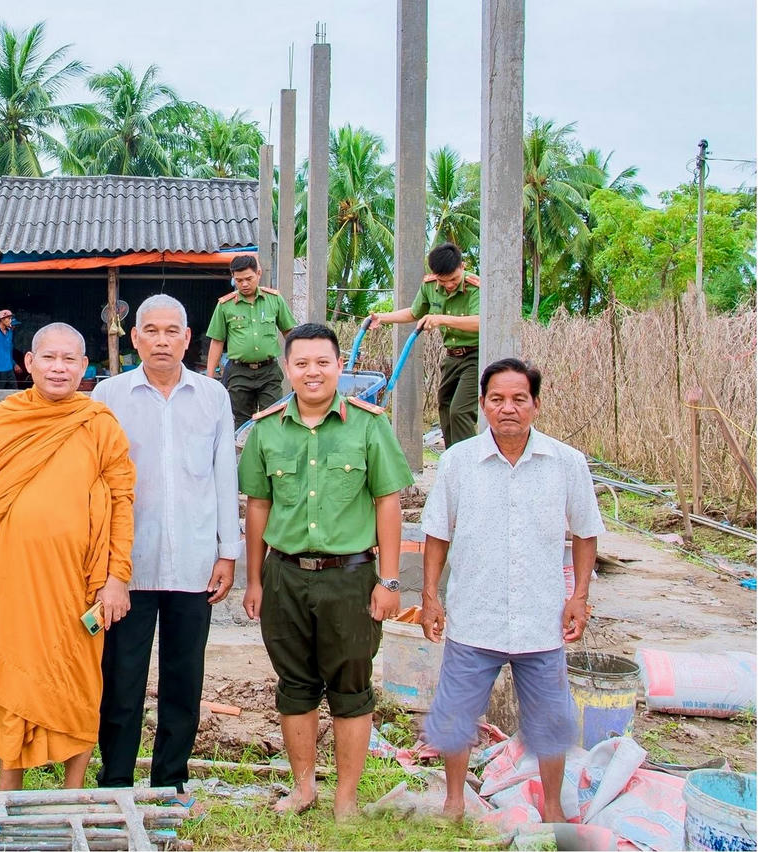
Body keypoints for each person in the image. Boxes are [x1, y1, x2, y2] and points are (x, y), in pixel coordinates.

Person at [0, 322, 136, 791]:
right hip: (10, 577)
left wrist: (117, 575)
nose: (59, 367)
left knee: (79, 679)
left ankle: (73, 790)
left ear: (85, 368)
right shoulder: (4, 420)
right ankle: (10, 784)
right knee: (13, 676)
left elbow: (123, 498)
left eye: (70, 359)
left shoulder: (99, 423)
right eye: (49, 357)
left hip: (78, 580)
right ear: (28, 363)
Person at [237, 323, 414, 816]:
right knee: (294, 684)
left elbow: (387, 502)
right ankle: (304, 788)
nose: (312, 372)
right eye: (301, 363)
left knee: (351, 688)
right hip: (285, 577)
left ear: (340, 367)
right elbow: (257, 507)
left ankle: (346, 798)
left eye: (322, 362)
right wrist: (254, 580)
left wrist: (391, 580)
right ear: (286, 369)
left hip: (351, 578)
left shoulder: (368, 423)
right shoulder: (266, 428)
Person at [419, 358, 604, 822]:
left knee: (549, 722)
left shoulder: (566, 462)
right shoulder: (459, 461)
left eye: (519, 399)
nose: (508, 409)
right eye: (497, 400)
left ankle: (555, 812)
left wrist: (578, 596)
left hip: (541, 619)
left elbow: (585, 533)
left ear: (535, 405)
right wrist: (429, 597)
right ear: (482, 405)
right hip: (473, 614)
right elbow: (438, 532)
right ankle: (455, 802)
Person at [91, 295, 239, 805]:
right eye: (149, 330)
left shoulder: (212, 396)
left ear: (187, 336)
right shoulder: (108, 396)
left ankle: (171, 781)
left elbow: (224, 475)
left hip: (195, 563)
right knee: (121, 679)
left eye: (170, 330)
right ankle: (114, 782)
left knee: (184, 679)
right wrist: (103, 563)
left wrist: (227, 551)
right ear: (133, 338)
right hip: (127, 568)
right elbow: (96, 484)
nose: (160, 340)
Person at [368, 242, 480, 448]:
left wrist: (442, 319)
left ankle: (468, 464)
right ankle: (452, 460)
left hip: (476, 356)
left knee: (460, 410)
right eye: (443, 281)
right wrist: (382, 318)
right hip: (452, 357)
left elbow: (481, 322)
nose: (448, 285)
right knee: (445, 406)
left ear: (462, 267)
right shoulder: (429, 285)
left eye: (454, 279)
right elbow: (414, 312)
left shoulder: (475, 287)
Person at [205, 254, 297, 430]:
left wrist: (298, 362)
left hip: (269, 371)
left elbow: (290, 333)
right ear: (233, 279)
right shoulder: (225, 305)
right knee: (241, 421)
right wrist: (209, 378)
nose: (244, 284)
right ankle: (243, 456)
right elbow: (217, 341)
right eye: (239, 280)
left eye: (249, 278)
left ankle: (269, 455)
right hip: (239, 372)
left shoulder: (274, 299)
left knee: (273, 417)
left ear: (259, 273)